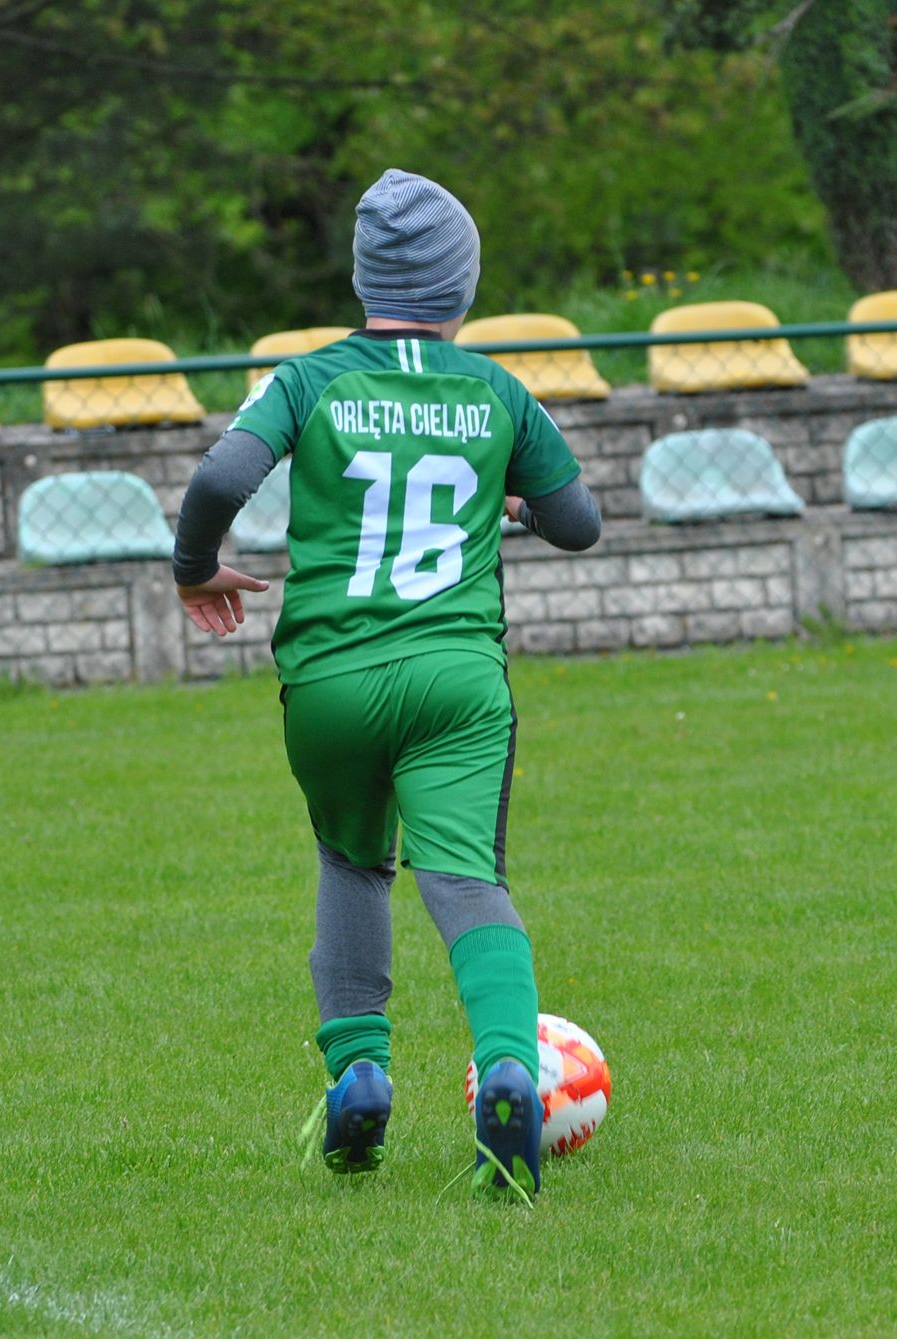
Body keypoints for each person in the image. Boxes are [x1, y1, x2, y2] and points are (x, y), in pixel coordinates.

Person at [171, 168, 602, 1202]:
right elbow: (580, 522)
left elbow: (220, 480)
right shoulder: (497, 389)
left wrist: (194, 568)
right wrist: (509, 507)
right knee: (464, 877)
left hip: (328, 678)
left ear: (367, 276)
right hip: (456, 676)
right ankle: (507, 1065)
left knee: (353, 863)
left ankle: (359, 1069)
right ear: (461, 284)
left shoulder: (308, 378)